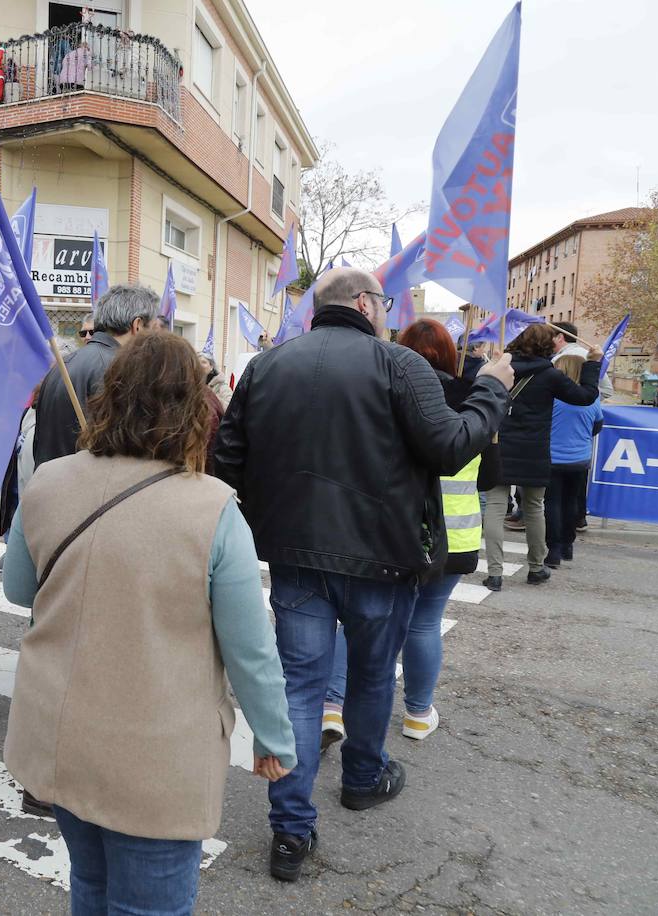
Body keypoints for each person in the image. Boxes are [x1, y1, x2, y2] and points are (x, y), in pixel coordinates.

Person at [213, 267, 513, 881]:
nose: (386, 309)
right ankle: (361, 777)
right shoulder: (397, 365)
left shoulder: (271, 365)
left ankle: (291, 831)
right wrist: (491, 390)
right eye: (384, 301)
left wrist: (265, 519)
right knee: (372, 677)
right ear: (364, 303)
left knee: (301, 686)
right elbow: (452, 445)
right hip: (381, 556)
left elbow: (227, 459)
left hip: (297, 555)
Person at [2, 332, 296, 910]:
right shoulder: (211, 507)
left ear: (109, 395)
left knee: (90, 882)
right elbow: (251, 650)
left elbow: (19, 589)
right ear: (193, 408)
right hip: (156, 757)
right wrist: (273, 736)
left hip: (59, 737)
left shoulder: (48, 480)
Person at [322, 319, 489, 749]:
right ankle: (417, 714)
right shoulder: (474, 402)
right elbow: (492, 477)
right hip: (455, 532)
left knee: (357, 619)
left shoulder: (385, 392)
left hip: (389, 530)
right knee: (424, 623)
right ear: (453, 356)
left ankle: (332, 705)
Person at [481, 323, 600, 590]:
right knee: (535, 508)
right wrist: (593, 363)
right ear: (547, 346)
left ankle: (495, 573)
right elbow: (586, 396)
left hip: (499, 444)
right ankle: (536, 567)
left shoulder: (501, 368)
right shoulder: (550, 375)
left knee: (496, 507)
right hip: (534, 449)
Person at [34, 285, 158, 467]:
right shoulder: (119, 370)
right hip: (87, 488)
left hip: (50, 484)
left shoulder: (63, 365)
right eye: (152, 328)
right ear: (137, 325)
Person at [544, 354, 602, 568]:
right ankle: (568, 544)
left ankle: (554, 549)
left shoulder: (552, 397)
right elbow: (597, 426)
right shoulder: (592, 399)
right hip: (579, 458)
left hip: (552, 457)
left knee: (552, 503)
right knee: (571, 502)